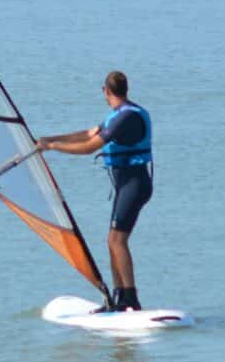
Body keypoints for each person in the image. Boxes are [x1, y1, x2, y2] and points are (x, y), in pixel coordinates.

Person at [38, 71, 152, 313]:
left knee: (116, 240)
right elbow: (88, 133)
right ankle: (119, 297)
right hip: (125, 185)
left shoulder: (127, 118)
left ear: (106, 91)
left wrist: (54, 147)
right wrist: (50, 139)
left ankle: (130, 299)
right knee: (113, 240)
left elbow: (90, 146)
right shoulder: (118, 115)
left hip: (135, 183)